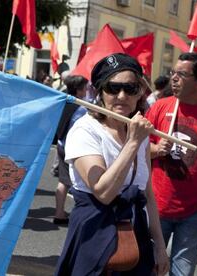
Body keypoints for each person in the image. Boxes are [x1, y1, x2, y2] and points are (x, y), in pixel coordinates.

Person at [55, 53, 169, 275]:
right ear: (100, 92)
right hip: (94, 234)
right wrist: (133, 142)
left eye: (130, 88)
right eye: (113, 88)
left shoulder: (141, 133)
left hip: (135, 236)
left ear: (140, 93)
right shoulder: (85, 130)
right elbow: (104, 191)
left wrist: (160, 247)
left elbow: (147, 194)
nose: (122, 95)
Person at [145, 52, 197, 276]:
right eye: (173, 72)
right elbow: (137, 148)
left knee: (182, 272)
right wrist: (155, 149)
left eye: (181, 74)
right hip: (157, 206)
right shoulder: (161, 107)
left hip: (195, 212)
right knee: (148, 268)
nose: (174, 78)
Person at [53, 75, 88, 224]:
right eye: (85, 87)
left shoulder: (63, 102)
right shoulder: (81, 109)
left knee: (63, 181)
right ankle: (77, 216)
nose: (87, 90)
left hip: (61, 144)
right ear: (79, 90)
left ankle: (59, 212)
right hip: (73, 148)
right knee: (79, 183)